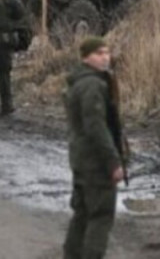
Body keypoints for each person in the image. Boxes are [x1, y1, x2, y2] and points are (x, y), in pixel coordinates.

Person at [63, 37, 126, 259]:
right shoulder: (92, 85)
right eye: (99, 53)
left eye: (107, 53)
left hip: (81, 159)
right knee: (99, 217)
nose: (105, 57)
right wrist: (113, 162)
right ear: (85, 57)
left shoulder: (81, 81)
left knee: (82, 215)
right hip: (95, 162)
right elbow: (96, 127)